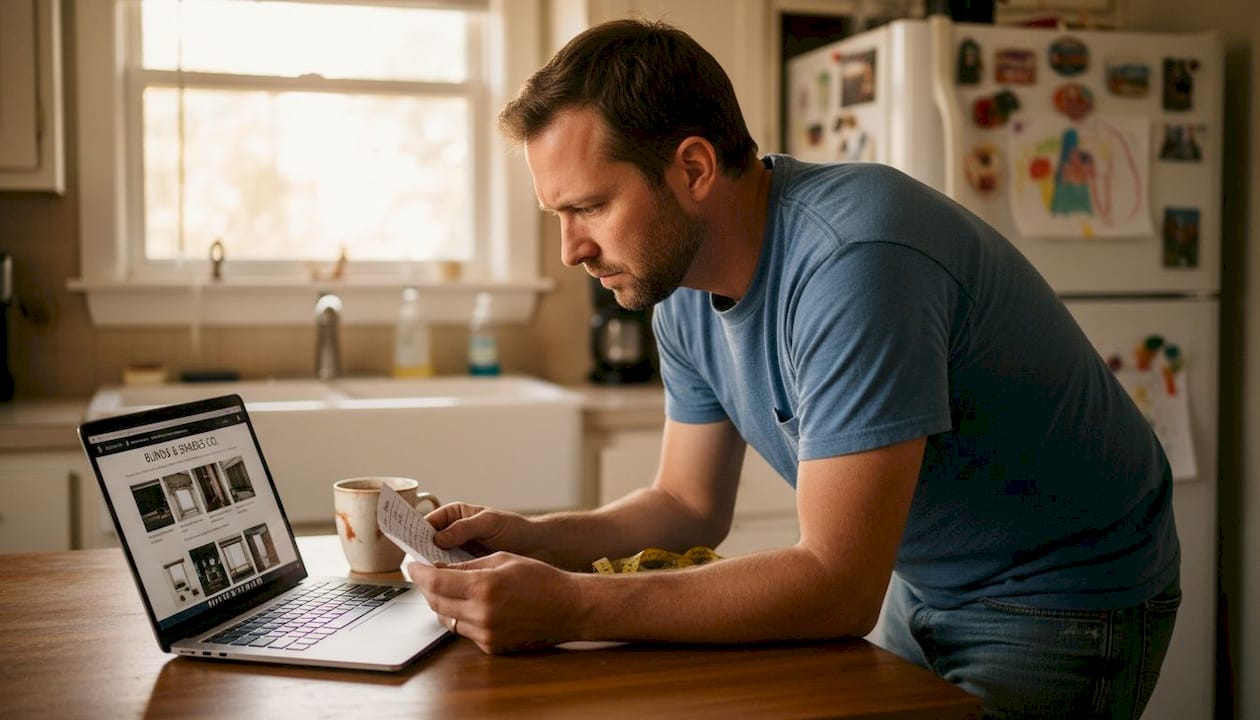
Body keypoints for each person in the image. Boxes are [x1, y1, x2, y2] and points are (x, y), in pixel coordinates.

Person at [407, 18, 1180, 719]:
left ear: (694, 168)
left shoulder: (856, 262)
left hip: (1066, 595)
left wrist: (574, 607)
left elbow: (837, 583)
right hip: (924, 583)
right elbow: (687, 503)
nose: (572, 249)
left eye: (591, 207)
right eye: (559, 216)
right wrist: (535, 541)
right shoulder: (679, 287)